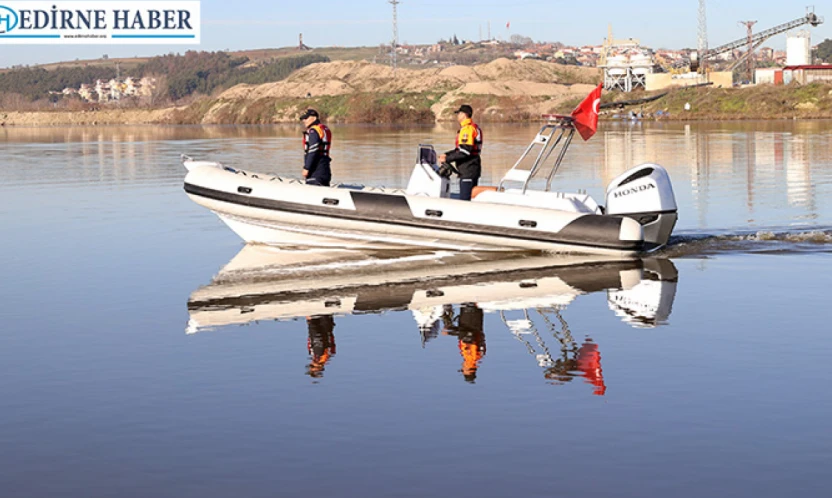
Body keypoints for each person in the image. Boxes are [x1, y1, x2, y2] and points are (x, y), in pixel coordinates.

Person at [438, 104, 483, 201]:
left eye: (459, 113)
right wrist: (447, 154)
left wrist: (447, 159)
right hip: (470, 168)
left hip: (468, 169)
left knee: (465, 199)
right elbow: (460, 149)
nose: (457, 116)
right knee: (468, 197)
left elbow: (465, 152)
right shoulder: (470, 127)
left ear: (464, 115)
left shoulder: (467, 130)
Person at [299, 109, 332, 186]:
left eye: (306, 118)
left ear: (314, 118)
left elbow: (313, 150)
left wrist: (306, 168)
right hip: (325, 167)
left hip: (316, 169)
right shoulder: (324, 128)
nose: (304, 120)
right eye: (303, 118)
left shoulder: (313, 131)